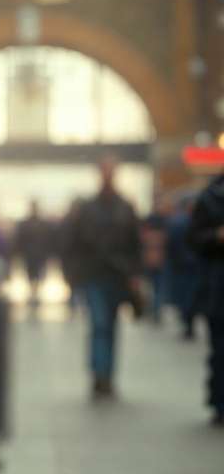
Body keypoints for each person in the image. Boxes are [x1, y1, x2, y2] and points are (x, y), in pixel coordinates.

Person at [67, 158, 142, 400]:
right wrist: (74, 275)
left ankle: (107, 374)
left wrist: (134, 275)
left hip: (118, 276)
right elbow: (74, 243)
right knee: (99, 324)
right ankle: (100, 375)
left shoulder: (125, 207)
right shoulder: (87, 207)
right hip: (94, 274)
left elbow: (134, 244)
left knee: (110, 327)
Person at [187, 177, 224, 426]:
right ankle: (220, 402)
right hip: (218, 284)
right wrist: (215, 237)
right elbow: (194, 239)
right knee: (220, 348)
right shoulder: (211, 196)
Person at [166, 196, 204, 340]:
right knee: (190, 294)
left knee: (185, 295)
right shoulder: (195, 221)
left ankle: (187, 321)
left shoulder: (177, 222)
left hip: (182, 265)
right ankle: (189, 322)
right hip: (193, 265)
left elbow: (171, 245)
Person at [14, 200, 55, 316]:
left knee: (37, 275)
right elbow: (20, 240)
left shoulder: (39, 224)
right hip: (31, 255)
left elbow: (49, 240)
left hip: (38, 254)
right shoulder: (28, 224)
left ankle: (35, 293)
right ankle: (34, 293)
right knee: (31, 275)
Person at [140, 196, 172, 325]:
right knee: (155, 287)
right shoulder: (165, 221)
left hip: (155, 259)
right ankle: (154, 309)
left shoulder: (161, 221)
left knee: (155, 287)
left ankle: (154, 309)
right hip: (156, 259)